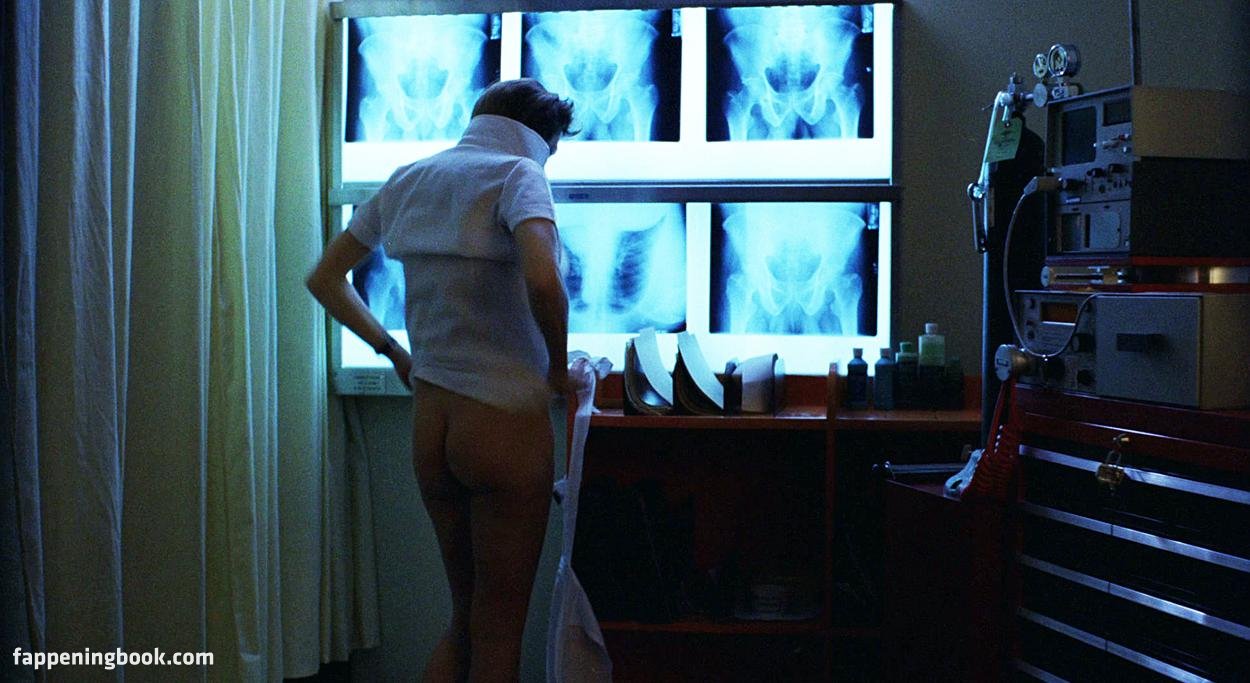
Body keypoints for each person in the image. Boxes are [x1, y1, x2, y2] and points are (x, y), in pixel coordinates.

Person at [306, 78, 575, 682]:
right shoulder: (519, 175)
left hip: (433, 425)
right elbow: (543, 280)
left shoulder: (408, 177)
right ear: (541, 139)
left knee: (464, 622)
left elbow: (324, 278)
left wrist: (395, 354)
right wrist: (558, 369)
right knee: (499, 628)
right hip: (503, 424)